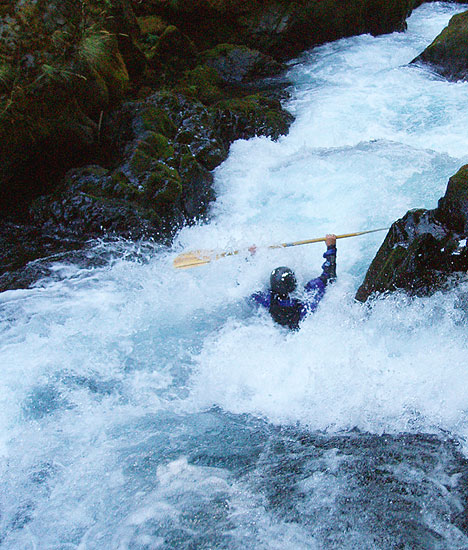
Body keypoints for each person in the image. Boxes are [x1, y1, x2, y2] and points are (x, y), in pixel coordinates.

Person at [251, 234, 337, 330]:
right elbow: (329, 276)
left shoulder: (266, 299)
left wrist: (251, 256)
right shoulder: (306, 301)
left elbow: (246, 285)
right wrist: (331, 246)